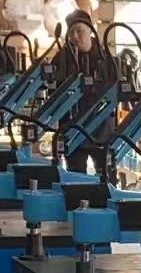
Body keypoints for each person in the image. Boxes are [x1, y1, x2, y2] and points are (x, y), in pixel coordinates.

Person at [50, 10, 118, 176]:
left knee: (106, 178)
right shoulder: (61, 58)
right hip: (72, 130)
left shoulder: (107, 60)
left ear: (90, 30)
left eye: (79, 30)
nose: (75, 36)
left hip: (101, 132)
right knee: (75, 178)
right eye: (71, 32)